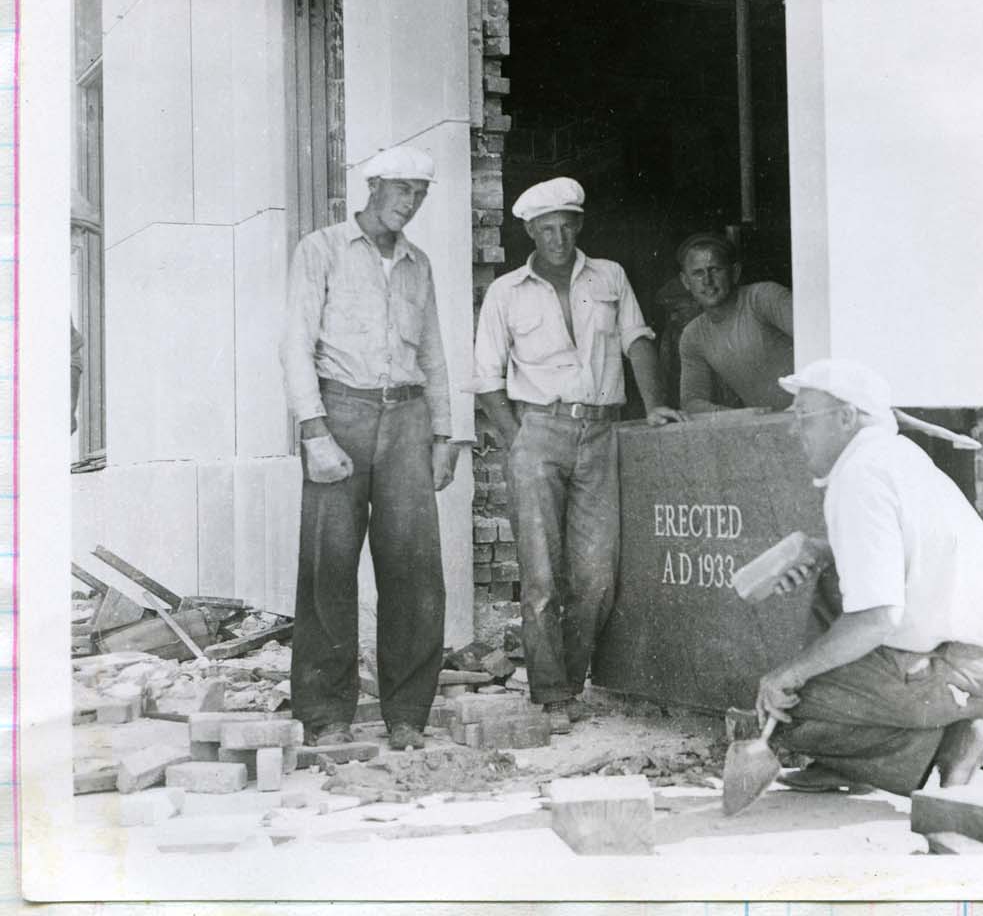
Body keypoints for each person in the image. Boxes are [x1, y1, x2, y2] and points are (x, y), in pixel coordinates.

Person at [470, 177, 683, 731]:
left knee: (595, 573)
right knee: (541, 573)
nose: (558, 238)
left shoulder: (608, 276)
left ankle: (575, 678)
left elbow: (638, 339)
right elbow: (486, 377)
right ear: (530, 233)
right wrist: (517, 435)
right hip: (537, 431)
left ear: (579, 226)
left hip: (600, 432)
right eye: (547, 230)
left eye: (567, 226)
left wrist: (655, 403)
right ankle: (551, 693)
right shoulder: (506, 293)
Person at [755, 358, 983, 796]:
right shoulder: (895, 456)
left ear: (845, 418)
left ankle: (946, 744)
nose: (793, 430)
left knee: (786, 706)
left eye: (803, 417)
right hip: (981, 664)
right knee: (830, 589)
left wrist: (788, 674)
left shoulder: (861, 475)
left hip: (954, 669)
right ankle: (861, 763)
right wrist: (823, 552)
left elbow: (877, 616)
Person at [280, 144, 458, 752]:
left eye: (420, 193)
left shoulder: (419, 264)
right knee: (329, 567)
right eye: (402, 189)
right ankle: (326, 713)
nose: (410, 202)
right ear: (374, 186)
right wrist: (313, 429)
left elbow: (432, 352)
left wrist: (443, 434)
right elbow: (295, 344)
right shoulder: (321, 250)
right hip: (342, 411)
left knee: (414, 570)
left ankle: (407, 713)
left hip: (407, 418)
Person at [675, 233, 795, 413]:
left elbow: (823, 342)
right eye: (698, 273)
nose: (707, 281)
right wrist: (737, 416)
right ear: (686, 281)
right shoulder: (693, 335)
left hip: (812, 413)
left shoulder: (764, 298)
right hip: (767, 425)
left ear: (735, 272)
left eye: (715, 269)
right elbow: (693, 401)